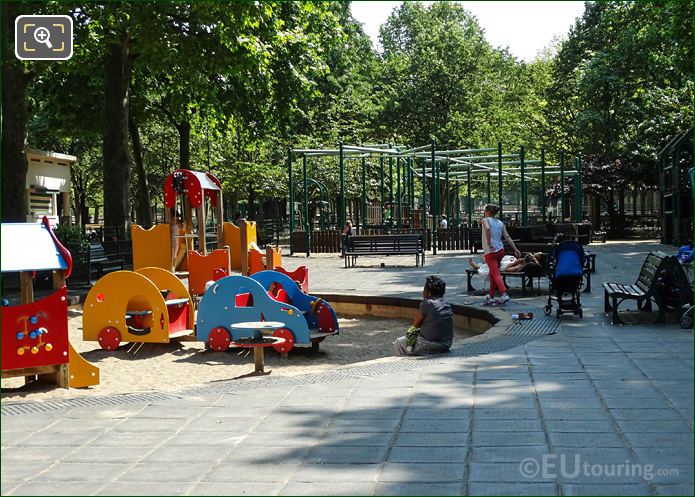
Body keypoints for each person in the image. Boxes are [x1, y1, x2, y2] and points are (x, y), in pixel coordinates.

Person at [394, 275, 453, 356]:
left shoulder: (427, 303)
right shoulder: (446, 303)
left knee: (399, 342)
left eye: (424, 289)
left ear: (428, 292)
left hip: (432, 344)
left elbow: (416, 324)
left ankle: (405, 362)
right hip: (447, 343)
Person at [481, 204, 521, 306]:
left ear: (487, 212)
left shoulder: (485, 220)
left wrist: (489, 242)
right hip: (500, 250)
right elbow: (507, 236)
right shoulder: (500, 223)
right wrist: (515, 249)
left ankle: (504, 294)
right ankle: (491, 296)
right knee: (492, 274)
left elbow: (487, 228)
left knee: (496, 274)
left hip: (490, 252)